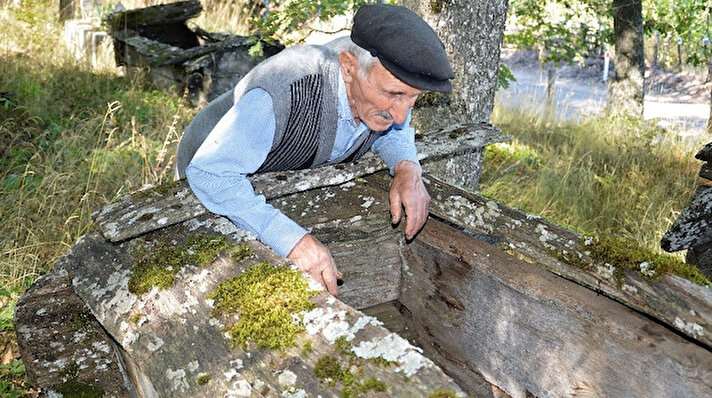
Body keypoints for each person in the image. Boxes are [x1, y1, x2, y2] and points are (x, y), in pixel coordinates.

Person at [175, 4, 454, 296]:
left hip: (265, 177)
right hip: (207, 168)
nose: (400, 115)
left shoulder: (383, 88)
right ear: (348, 67)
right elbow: (210, 173)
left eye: (413, 99)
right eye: (394, 95)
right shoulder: (287, 89)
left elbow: (393, 131)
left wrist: (407, 166)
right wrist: (292, 240)